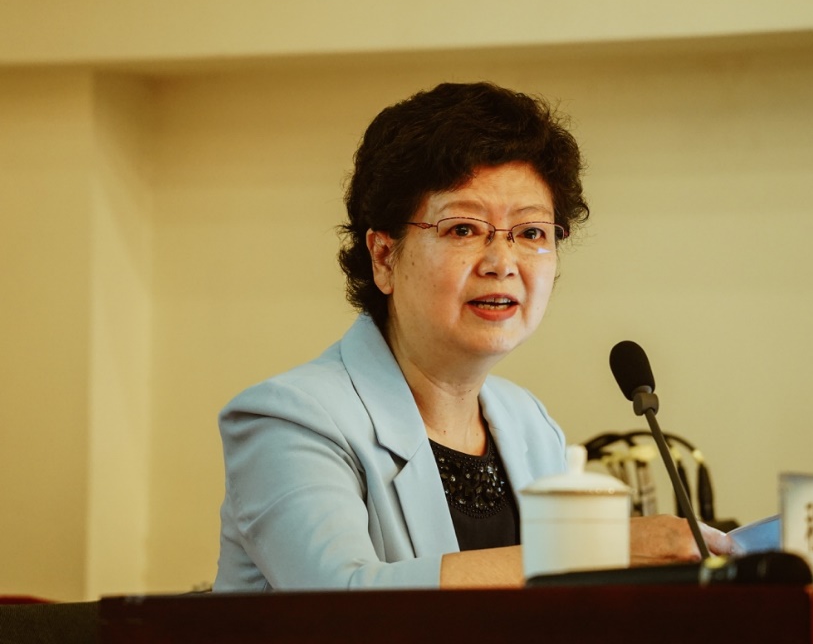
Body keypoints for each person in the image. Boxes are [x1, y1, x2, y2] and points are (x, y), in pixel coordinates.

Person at [214, 81, 732, 591]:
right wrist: (600, 551)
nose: (502, 262)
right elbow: (342, 598)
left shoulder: (529, 424)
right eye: (463, 229)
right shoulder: (291, 420)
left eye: (531, 233)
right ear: (384, 257)